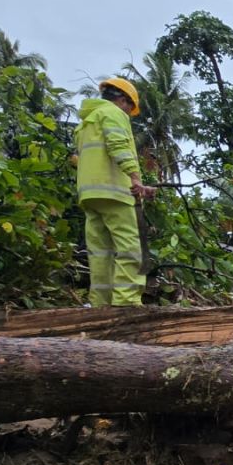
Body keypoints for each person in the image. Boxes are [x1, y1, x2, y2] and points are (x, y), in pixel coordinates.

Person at [74, 77, 155, 307]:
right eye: (130, 108)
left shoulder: (87, 122)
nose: (129, 113)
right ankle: (126, 303)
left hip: (90, 195)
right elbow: (118, 145)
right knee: (130, 248)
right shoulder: (113, 113)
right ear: (122, 100)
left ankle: (101, 305)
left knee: (100, 254)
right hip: (115, 191)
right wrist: (136, 179)